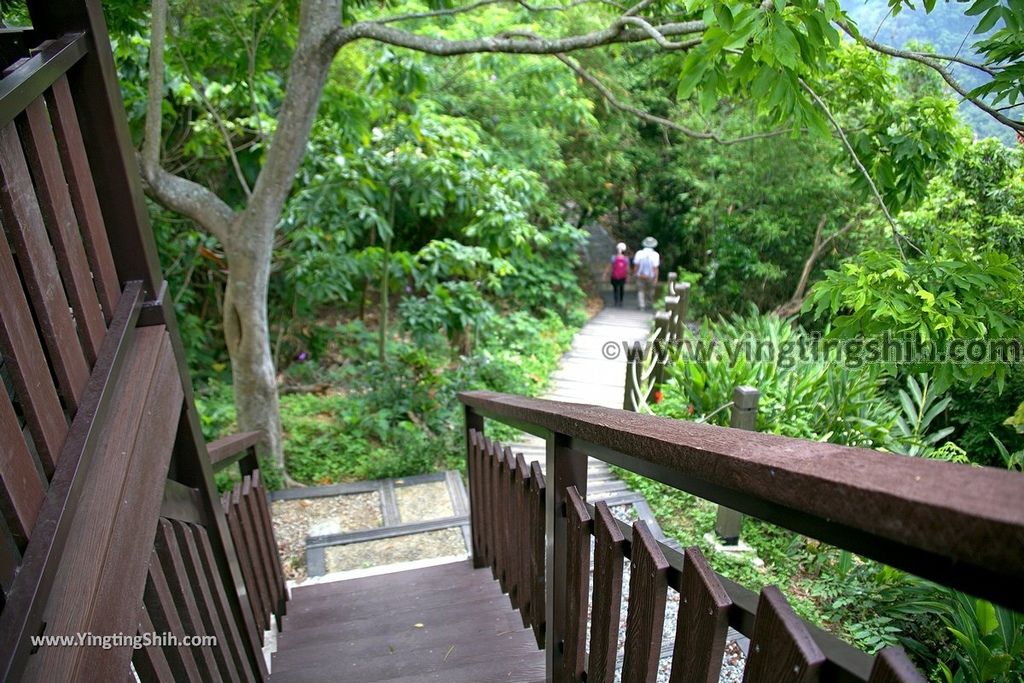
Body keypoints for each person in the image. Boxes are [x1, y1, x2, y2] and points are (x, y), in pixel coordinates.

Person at [633, 236, 660, 310]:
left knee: (640, 290)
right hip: (650, 276)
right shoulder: (656, 255)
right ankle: (649, 304)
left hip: (640, 275)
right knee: (651, 290)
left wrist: (635, 273)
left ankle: (642, 305)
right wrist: (656, 278)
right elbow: (656, 268)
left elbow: (636, 265)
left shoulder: (639, 253)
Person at [603, 242, 629, 307]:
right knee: (621, 288)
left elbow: (609, 266)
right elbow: (627, 269)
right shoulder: (626, 259)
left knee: (615, 289)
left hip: (614, 276)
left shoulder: (613, 258)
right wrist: (628, 276)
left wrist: (605, 274)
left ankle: (616, 301)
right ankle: (621, 301)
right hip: (623, 276)